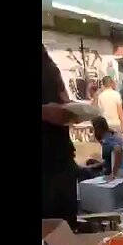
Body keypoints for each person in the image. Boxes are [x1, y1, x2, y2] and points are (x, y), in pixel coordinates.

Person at [41, 44, 81, 229]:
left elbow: (62, 96)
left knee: (66, 223)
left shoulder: (50, 67)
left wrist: (73, 110)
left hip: (61, 157)